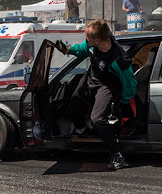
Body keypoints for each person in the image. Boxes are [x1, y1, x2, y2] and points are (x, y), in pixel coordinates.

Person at [54, 19, 137, 170]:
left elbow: (130, 83)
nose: (86, 40)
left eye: (88, 38)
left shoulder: (119, 60)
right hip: (90, 78)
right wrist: (66, 49)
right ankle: (84, 132)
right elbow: (82, 48)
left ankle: (117, 156)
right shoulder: (93, 46)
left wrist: (125, 102)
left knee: (97, 119)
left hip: (106, 86)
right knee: (73, 106)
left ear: (97, 39)